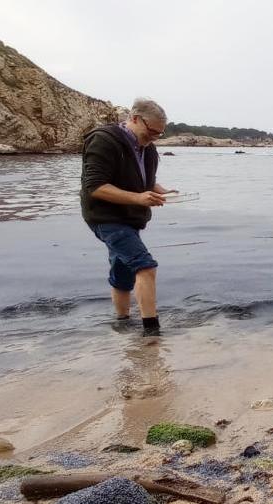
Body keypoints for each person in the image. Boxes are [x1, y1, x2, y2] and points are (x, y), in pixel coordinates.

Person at [80, 98, 172, 336]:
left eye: (159, 134)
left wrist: (159, 190)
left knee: (122, 268)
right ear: (134, 118)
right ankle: (151, 333)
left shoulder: (149, 147)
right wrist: (138, 198)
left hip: (131, 218)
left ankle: (121, 323)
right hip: (105, 216)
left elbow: (143, 179)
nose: (154, 137)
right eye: (151, 131)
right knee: (145, 266)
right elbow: (96, 186)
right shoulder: (103, 141)